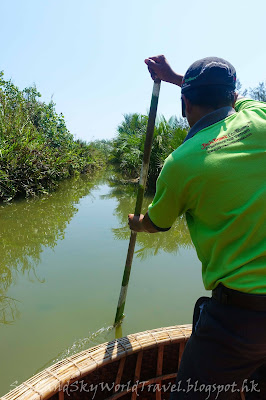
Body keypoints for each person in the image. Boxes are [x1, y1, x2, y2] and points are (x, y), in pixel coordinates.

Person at [128, 55, 266, 399]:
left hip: (240, 322)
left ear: (185, 103)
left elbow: (157, 224)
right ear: (232, 95)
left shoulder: (181, 162)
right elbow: (235, 100)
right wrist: (175, 77)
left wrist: (136, 223)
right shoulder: (260, 115)